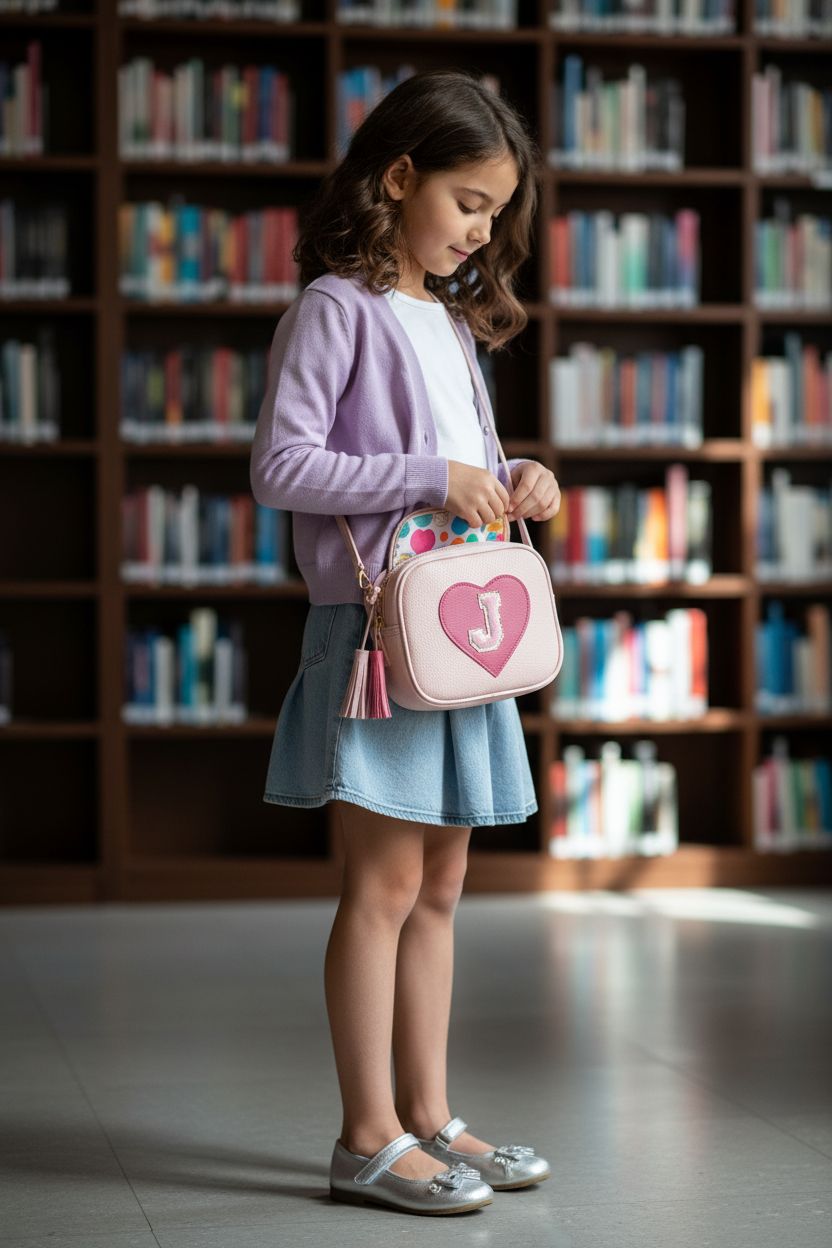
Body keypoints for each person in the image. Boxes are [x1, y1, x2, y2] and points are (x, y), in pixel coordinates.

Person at [250, 68, 561, 1216]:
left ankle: (431, 1116)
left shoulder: (449, 322)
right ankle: (365, 1136)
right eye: (470, 203)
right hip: (381, 638)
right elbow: (282, 468)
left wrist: (515, 477)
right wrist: (433, 475)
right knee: (380, 888)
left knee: (441, 885)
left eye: (495, 213)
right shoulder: (335, 308)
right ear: (398, 179)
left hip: (460, 639)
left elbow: (471, 461)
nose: (483, 231)